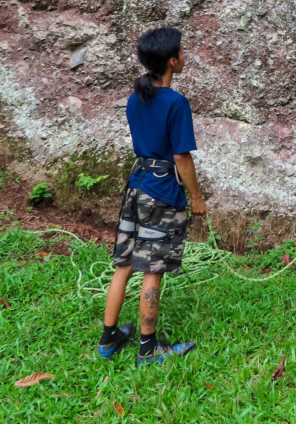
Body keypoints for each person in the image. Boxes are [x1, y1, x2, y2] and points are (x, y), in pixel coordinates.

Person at [97, 26, 208, 364]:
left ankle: (109, 338)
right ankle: (148, 349)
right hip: (162, 192)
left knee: (124, 264)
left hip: (137, 187)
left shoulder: (136, 98)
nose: (185, 56)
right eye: (182, 52)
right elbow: (180, 157)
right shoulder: (175, 103)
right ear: (172, 61)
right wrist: (197, 198)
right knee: (152, 269)